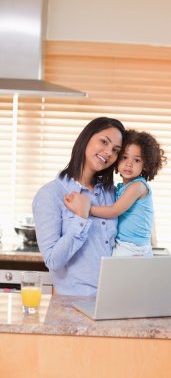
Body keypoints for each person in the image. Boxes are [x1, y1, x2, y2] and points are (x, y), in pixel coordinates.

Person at [32, 117, 126, 296]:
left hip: (113, 300)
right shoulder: (50, 194)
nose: (108, 152)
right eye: (104, 141)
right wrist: (82, 218)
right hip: (73, 307)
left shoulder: (111, 194)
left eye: (115, 150)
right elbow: (53, 261)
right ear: (86, 139)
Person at [65, 130, 167, 256]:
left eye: (136, 160)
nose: (129, 164)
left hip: (134, 248)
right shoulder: (120, 188)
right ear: (117, 160)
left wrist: (86, 209)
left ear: (146, 165)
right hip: (126, 245)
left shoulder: (138, 186)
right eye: (124, 157)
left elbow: (114, 211)